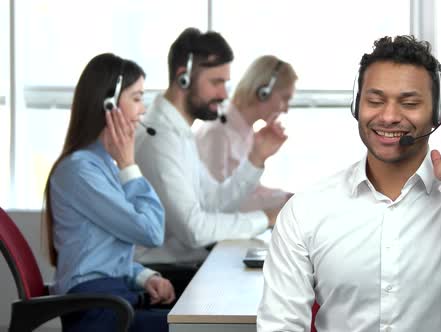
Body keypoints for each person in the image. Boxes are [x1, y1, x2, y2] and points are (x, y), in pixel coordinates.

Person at [257, 35, 441, 331]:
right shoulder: (307, 210)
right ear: (357, 106)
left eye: (409, 103)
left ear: (437, 114)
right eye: (375, 100)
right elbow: (280, 325)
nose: (390, 116)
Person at [134, 28, 287, 295]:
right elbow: (194, 230)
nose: (224, 94)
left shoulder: (179, 133)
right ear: (183, 78)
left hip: (184, 267)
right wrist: (266, 217)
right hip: (163, 277)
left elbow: (215, 203)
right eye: (216, 82)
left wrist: (255, 159)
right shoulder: (160, 139)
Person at [42, 53, 175, 332]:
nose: (142, 111)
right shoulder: (81, 171)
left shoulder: (102, 164)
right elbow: (151, 232)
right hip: (97, 311)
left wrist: (143, 277)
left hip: (112, 299)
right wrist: (129, 165)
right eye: (137, 98)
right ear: (109, 104)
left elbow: (103, 255)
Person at [195, 55, 297, 211]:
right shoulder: (217, 133)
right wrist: (281, 202)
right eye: (285, 98)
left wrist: (287, 198)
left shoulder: (247, 132)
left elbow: (251, 191)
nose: (286, 109)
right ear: (263, 92)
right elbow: (218, 205)